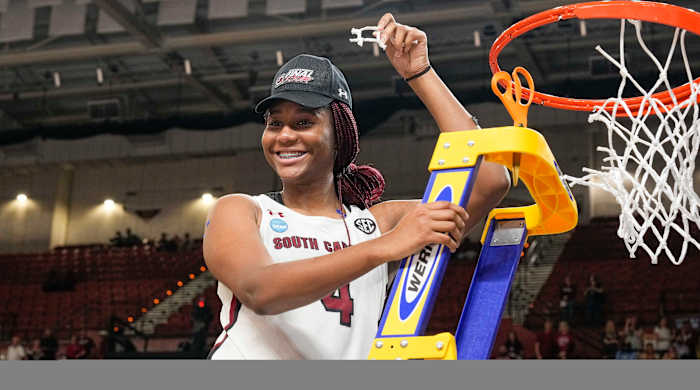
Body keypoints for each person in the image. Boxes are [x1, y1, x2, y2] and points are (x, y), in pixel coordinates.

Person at [204, 14, 510, 360]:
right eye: (275, 124)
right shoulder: (242, 209)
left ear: (340, 136)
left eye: (304, 122)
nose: (285, 135)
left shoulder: (376, 223)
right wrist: (385, 247)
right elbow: (260, 291)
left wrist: (420, 74)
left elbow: (490, 178)